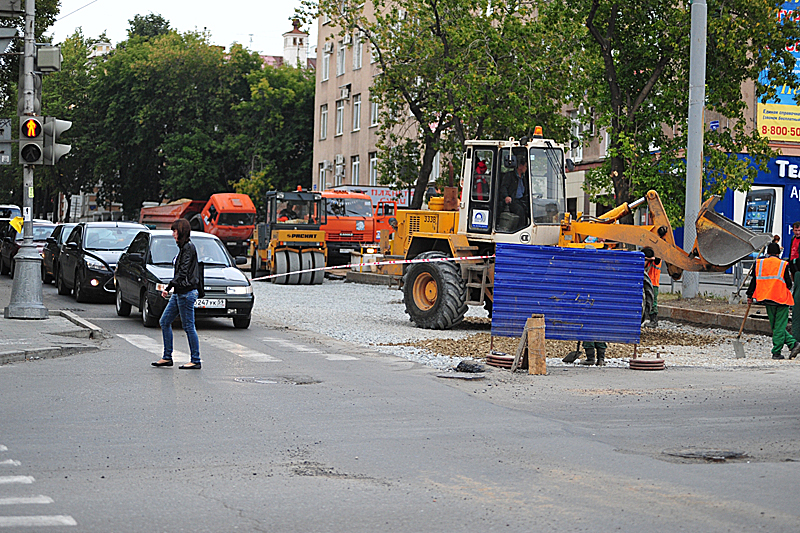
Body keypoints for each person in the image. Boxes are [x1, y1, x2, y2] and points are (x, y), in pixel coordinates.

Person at [151, 218, 202, 370]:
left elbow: (183, 272)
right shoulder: (183, 248)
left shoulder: (188, 248)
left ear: (181, 232)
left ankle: (195, 359)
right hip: (180, 292)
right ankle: (167, 357)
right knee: (164, 321)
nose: (173, 234)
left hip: (185, 293)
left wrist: (168, 287)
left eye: (174, 231)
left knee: (188, 326)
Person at [747, 242, 800, 360]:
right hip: (782, 299)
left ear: (768, 253)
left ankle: (788, 346)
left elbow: (754, 281)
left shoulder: (759, 263)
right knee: (779, 327)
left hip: (767, 298)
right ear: (778, 253)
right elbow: (788, 283)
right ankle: (784, 348)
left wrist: (749, 295)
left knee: (776, 326)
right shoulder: (783, 264)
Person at [498, 154, 529, 229]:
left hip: (522, 200)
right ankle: (520, 229)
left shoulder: (523, 178)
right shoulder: (510, 176)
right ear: (520, 166)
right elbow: (503, 187)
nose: (526, 168)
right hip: (512, 200)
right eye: (525, 166)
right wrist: (506, 196)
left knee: (529, 209)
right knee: (520, 210)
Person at [788, 222, 800, 340]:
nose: (797, 233)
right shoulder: (793, 239)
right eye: (796, 231)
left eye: (799, 231)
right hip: (793, 265)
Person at [644, 249, 662, 326]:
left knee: (652, 302)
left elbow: (656, 260)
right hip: (651, 282)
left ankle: (654, 320)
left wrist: (648, 258)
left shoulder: (657, 259)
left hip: (653, 283)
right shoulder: (652, 258)